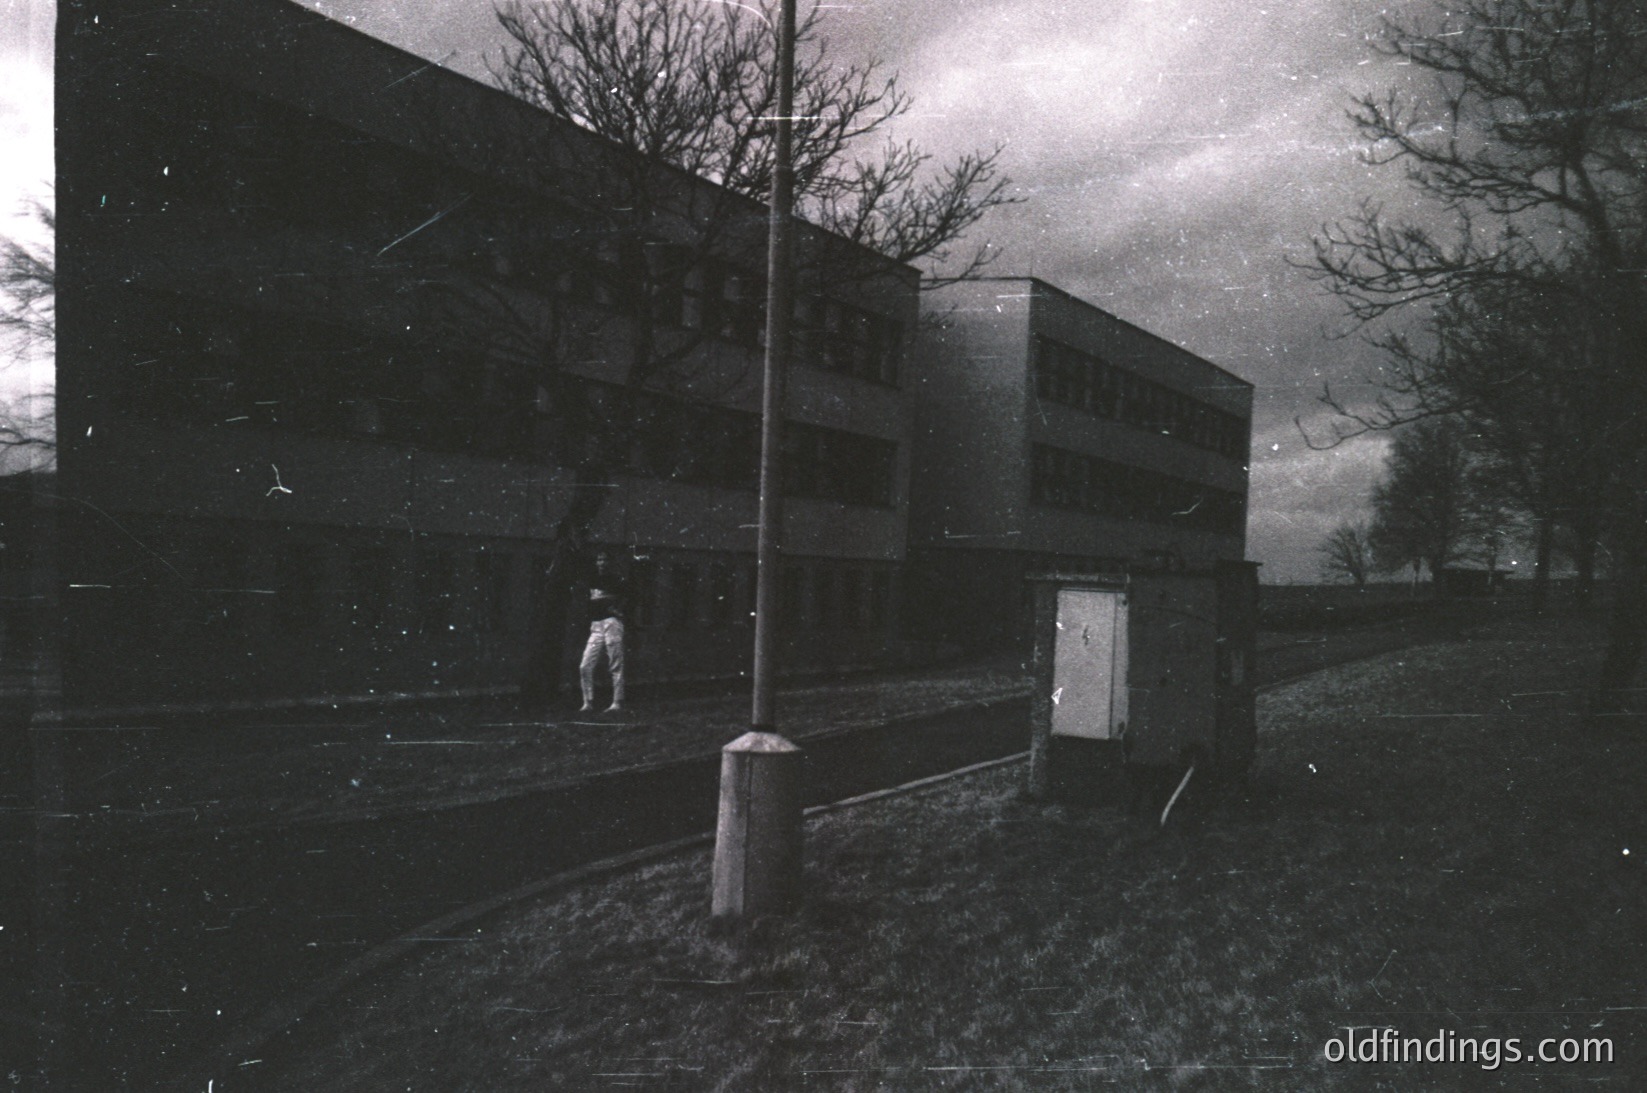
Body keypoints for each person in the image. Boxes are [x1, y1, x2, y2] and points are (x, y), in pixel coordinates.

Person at [579, 550, 626, 713]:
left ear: (610, 563)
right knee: (585, 665)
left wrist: (617, 610)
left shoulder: (616, 579)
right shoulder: (592, 579)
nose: (601, 563)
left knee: (615, 662)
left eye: (605, 560)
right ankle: (588, 702)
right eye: (599, 559)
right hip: (596, 625)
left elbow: (628, 596)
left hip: (611, 623)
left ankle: (617, 702)